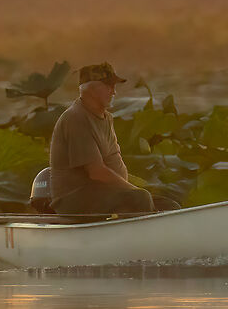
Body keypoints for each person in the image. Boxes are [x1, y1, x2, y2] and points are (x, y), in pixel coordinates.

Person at [47, 62, 171, 215]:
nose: (114, 92)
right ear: (89, 88)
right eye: (108, 86)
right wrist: (134, 190)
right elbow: (96, 172)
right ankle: (139, 235)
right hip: (75, 198)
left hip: (104, 193)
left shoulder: (107, 118)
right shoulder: (76, 118)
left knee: (169, 204)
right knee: (141, 198)